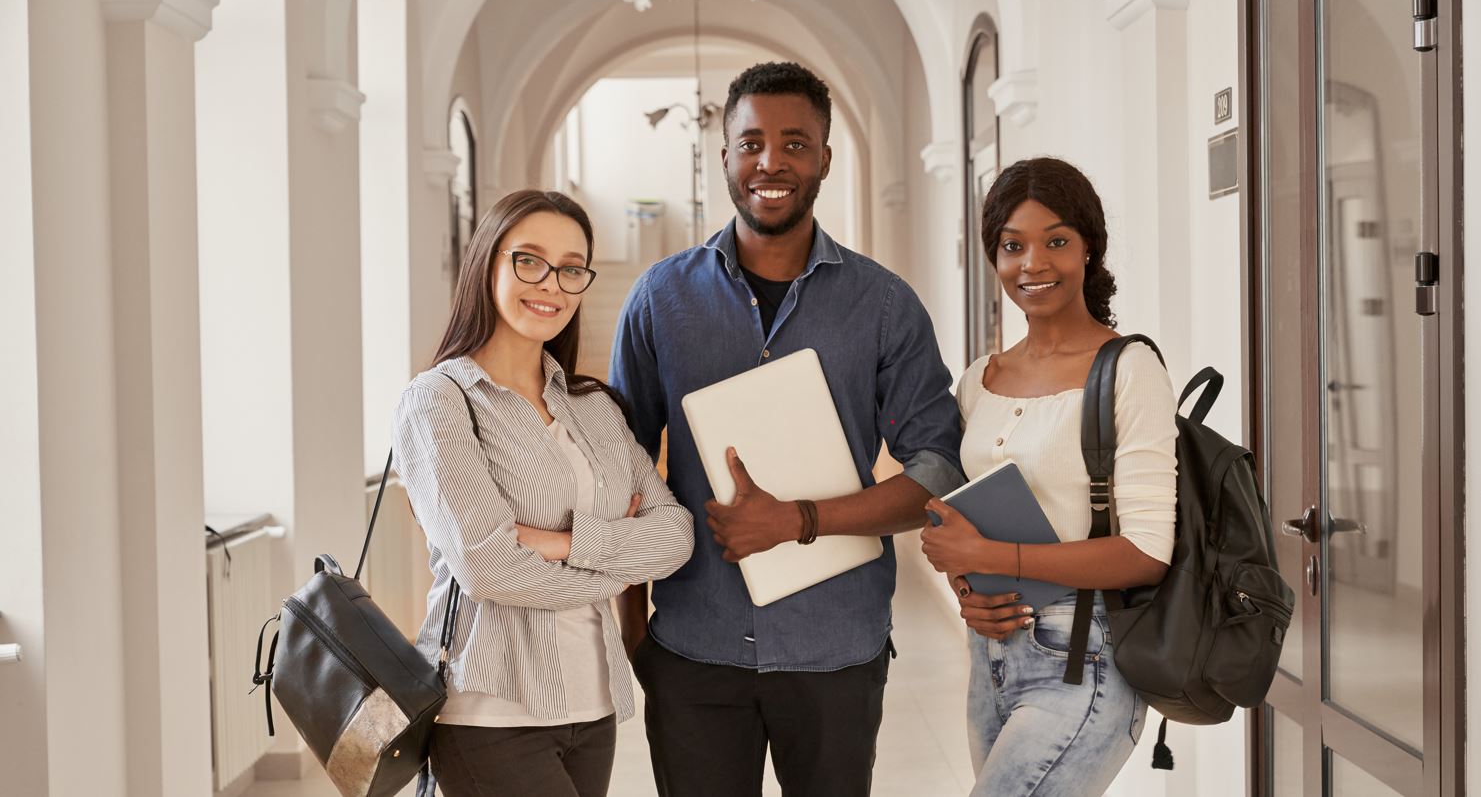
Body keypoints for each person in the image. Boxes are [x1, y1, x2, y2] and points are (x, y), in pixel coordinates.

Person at [609, 61, 965, 797]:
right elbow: (622, 470)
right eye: (751, 143)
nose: (771, 161)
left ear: (826, 158)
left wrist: (798, 519)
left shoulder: (885, 306)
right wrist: (633, 630)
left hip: (835, 648)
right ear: (725, 156)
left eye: (795, 143)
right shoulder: (658, 299)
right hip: (692, 646)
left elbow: (935, 470)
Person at [392, 189, 694, 797]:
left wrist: (559, 543)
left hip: (594, 703)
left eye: (571, 268)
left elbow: (677, 537)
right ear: (488, 262)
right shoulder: (440, 400)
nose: (550, 284)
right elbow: (487, 570)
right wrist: (619, 559)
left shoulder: (593, 406)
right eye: (528, 260)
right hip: (489, 712)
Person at [920, 157, 1177, 796]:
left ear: (1088, 248)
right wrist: (965, 585)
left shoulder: (1128, 367)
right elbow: (960, 515)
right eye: (1013, 246)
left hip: (1083, 662)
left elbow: (1147, 553)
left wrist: (991, 553)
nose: (1033, 264)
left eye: (1056, 241)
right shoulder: (980, 379)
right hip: (990, 659)